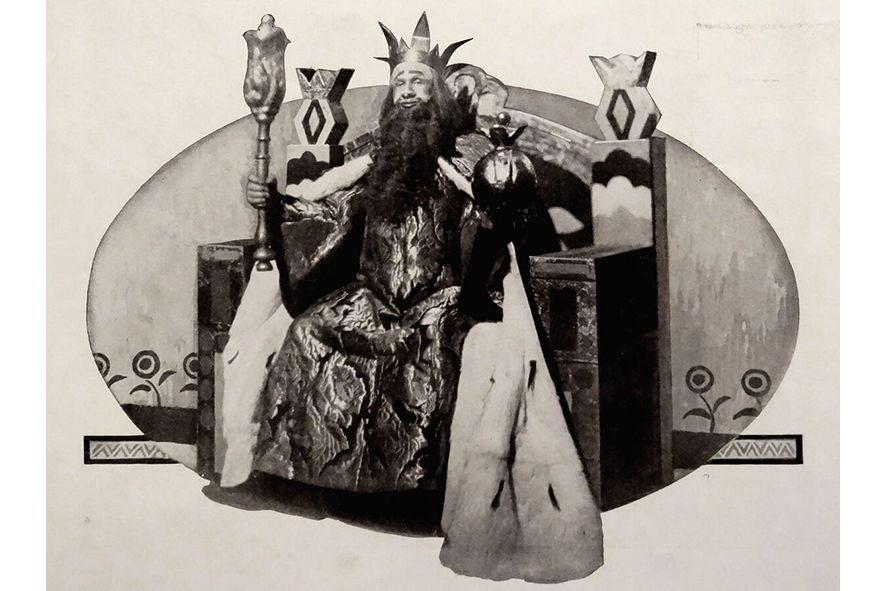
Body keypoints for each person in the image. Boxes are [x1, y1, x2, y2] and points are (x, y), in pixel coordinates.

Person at [221, 13, 495, 493]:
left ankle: (408, 496)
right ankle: (298, 480)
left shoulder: (466, 156)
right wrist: (275, 202)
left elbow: (491, 212)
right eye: (399, 83)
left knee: (427, 349)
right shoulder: (375, 158)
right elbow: (328, 208)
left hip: (438, 297)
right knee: (308, 330)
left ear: (437, 94)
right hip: (371, 295)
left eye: (418, 81)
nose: (407, 90)